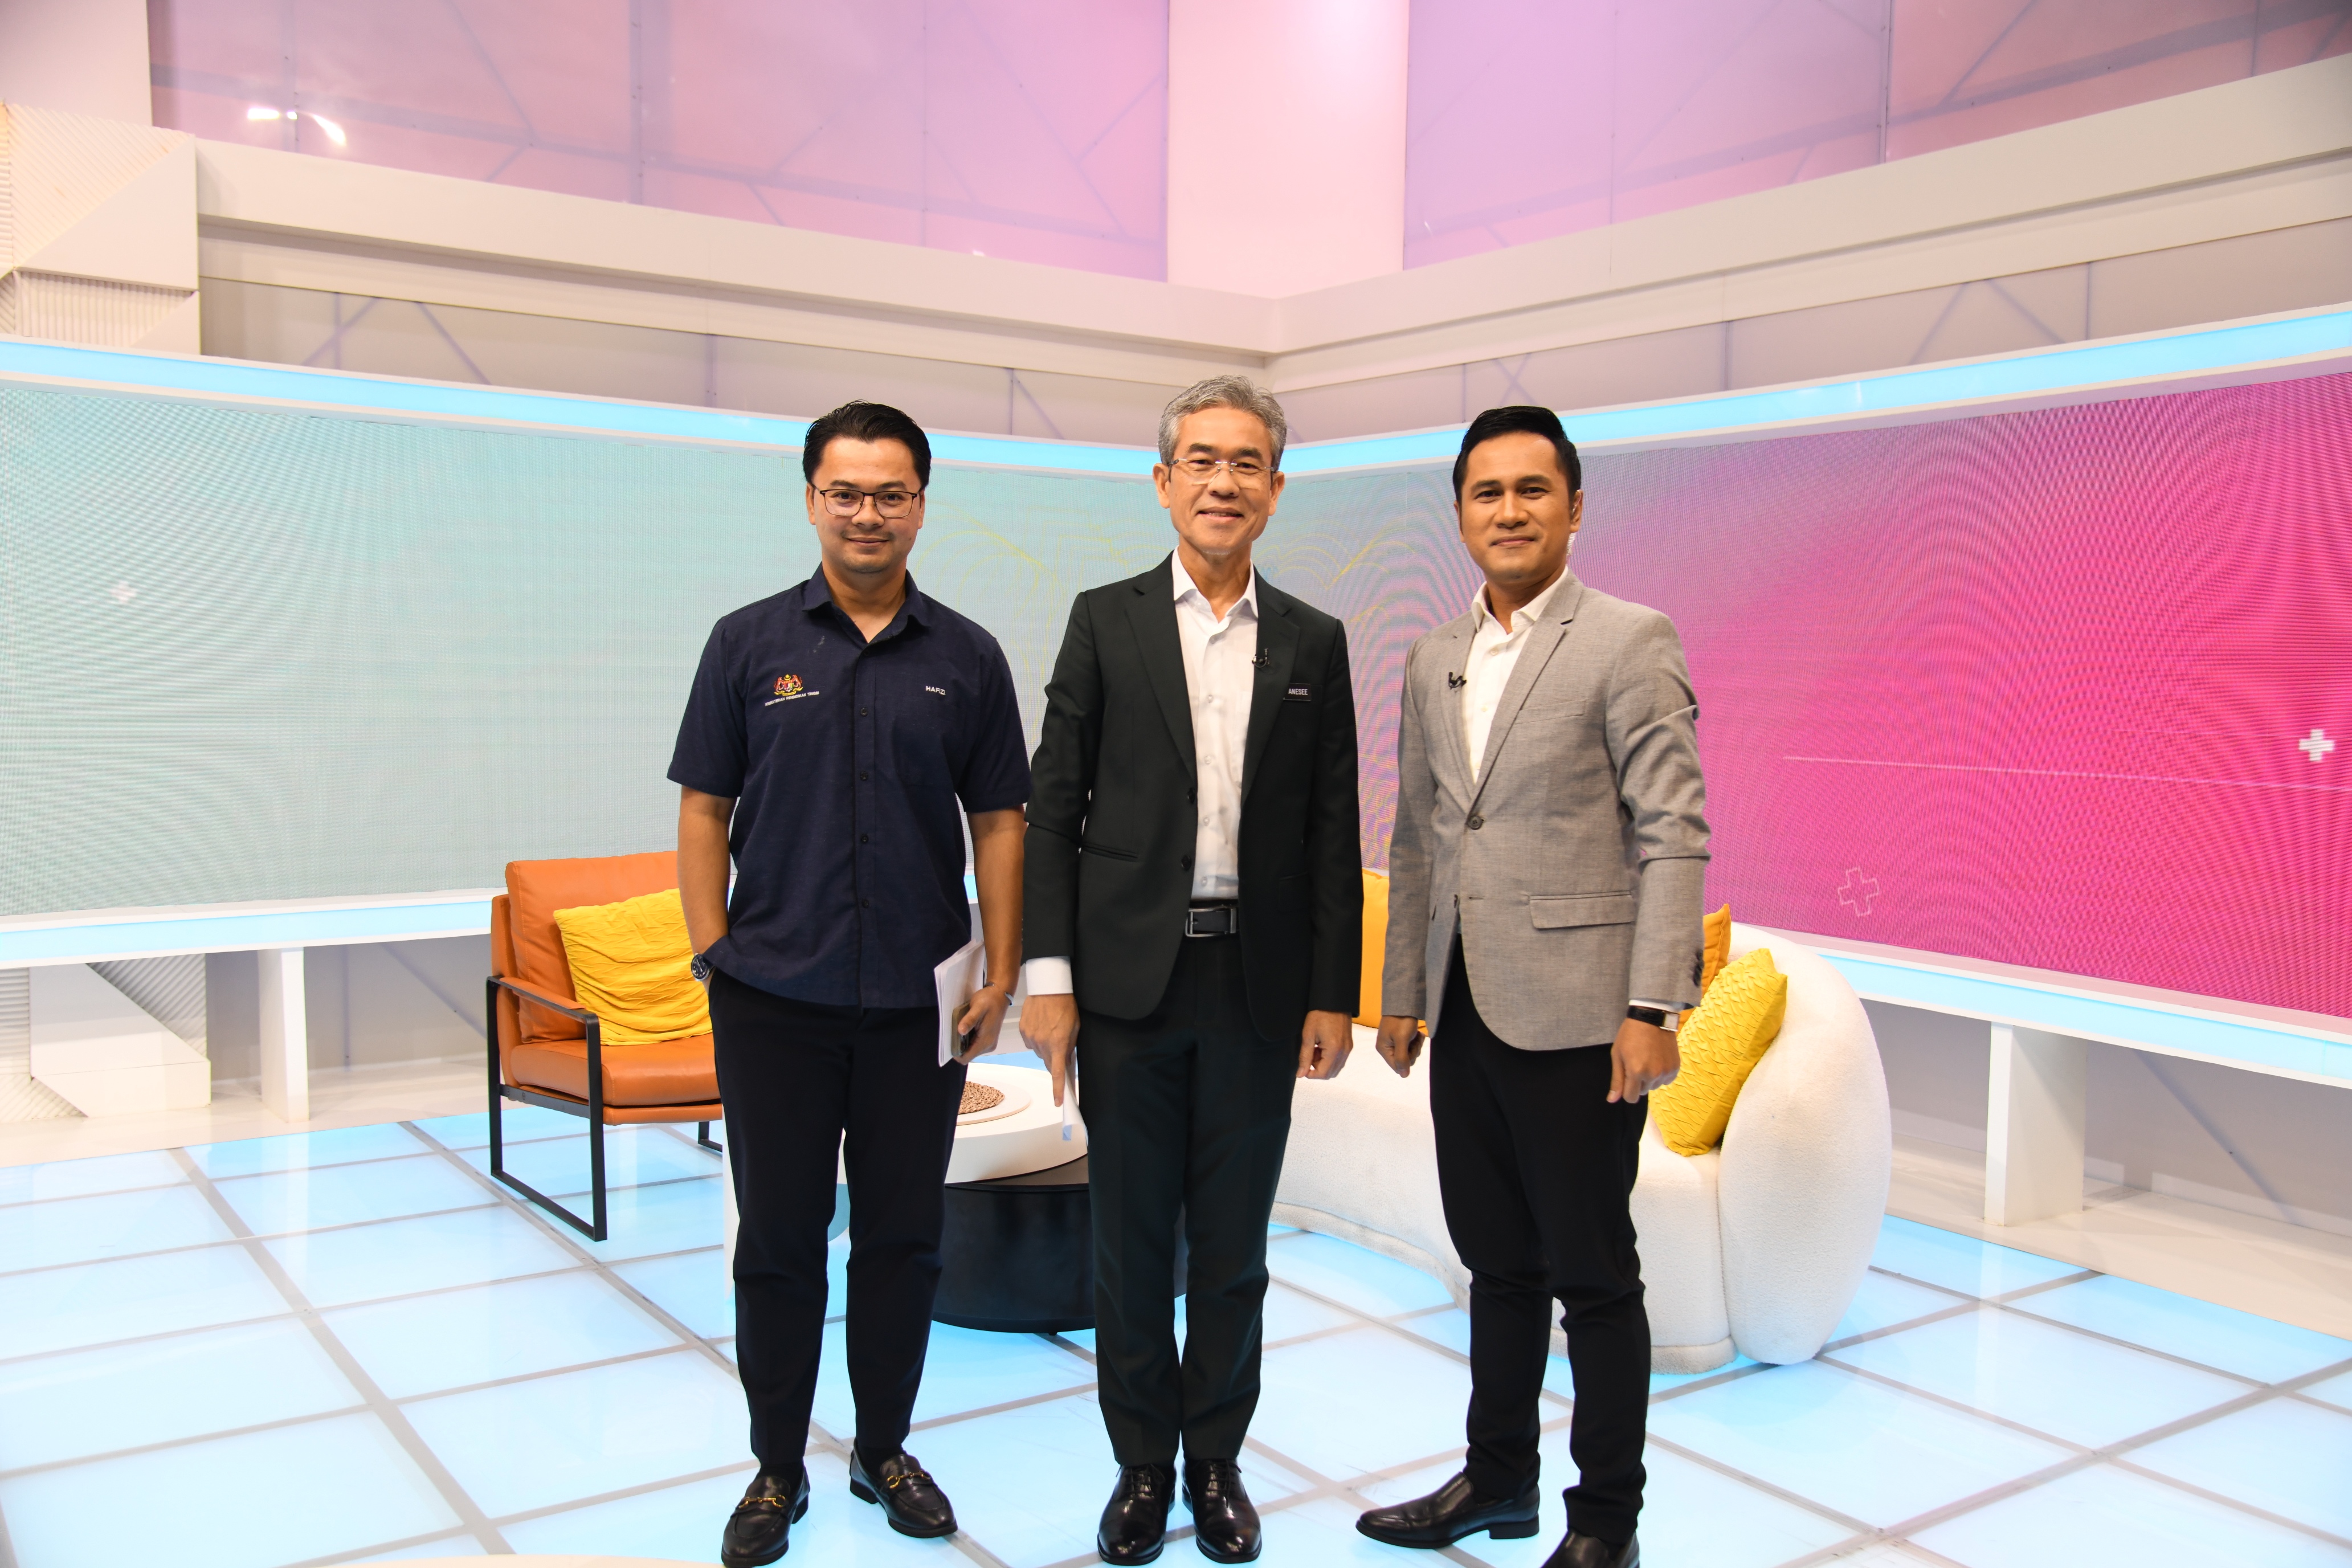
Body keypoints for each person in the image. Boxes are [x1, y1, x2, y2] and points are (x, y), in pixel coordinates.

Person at [670, 401, 1030, 1566]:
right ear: (812, 499)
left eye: (890, 493)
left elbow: (1001, 822)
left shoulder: (968, 658)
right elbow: (704, 808)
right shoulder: (746, 643)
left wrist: (1002, 967)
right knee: (778, 1240)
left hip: (920, 1003)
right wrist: (715, 951)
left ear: (921, 504)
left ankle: (884, 1450)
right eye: (846, 492)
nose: (867, 513)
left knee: (903, 1237)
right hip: (773, 997)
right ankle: (776, 1467)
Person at [1353, 406, 1709, 1568]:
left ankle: (1606, 1521)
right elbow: (1419, 833)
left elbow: (1674, 831)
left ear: (1575, 506)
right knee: (1495, 1263)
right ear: (1460, 513)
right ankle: (1497, 1478)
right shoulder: (1433, 654)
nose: (1509, 511)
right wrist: (1403, 990)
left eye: (1532, 489)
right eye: (1487, 492)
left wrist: (1652, 1008)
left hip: (1582, 1017)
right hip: (1464, 1008)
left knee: (1594, 1278)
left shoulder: (1630, 638)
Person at [1020, 374, 1361, 1565]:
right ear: (1164, 482)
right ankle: (1141, 1466)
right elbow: (1053, 809)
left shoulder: (1315, 639)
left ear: (1277, 487)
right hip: (1128, 986)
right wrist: (1048, 976)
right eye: (1202, 461)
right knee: (1127, 1240)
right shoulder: (1103, 621)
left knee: (1232, 1244)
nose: (1224, 482)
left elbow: (1332, 829)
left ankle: (1215, 1460)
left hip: (1257, 988)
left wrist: (1333, 990)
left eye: (1247, 462)